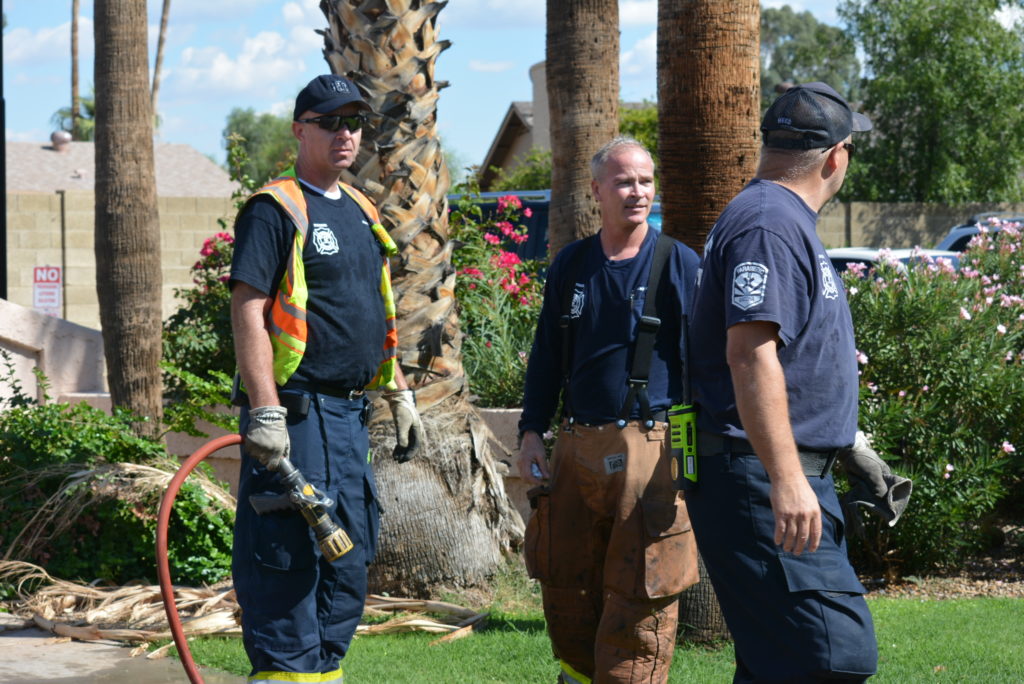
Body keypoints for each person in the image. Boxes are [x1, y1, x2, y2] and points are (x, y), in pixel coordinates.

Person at [229, 74, 423, 684]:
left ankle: (323, 673)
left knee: (348, 556)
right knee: (289, 556)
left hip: (348, 417)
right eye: (331, 122)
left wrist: (399, 393)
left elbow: (374, 312)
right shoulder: (276, 209)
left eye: (354, 122)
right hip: (296, 414)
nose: (346, 133)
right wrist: (265, 409)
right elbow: (248, 310)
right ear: (299, 130)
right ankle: (285, 672)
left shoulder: (362, 211)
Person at [686, 82, 879, 682]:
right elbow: (749, 356)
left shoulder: (775, 218)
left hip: (772, 473)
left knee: (778, 664)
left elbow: (787, 359)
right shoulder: (769, 223)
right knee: (833, 656)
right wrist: (789, 479)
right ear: (836, 157)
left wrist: (842, 440)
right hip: (762, 477)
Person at [518, 136, 700, 684]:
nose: (638, 191)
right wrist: (531, 432)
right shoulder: (571, 264)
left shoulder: (677, 262)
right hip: (575, 450)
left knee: (639, 605)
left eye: (645, 181)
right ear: (597, 190)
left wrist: (696, 461)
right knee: (567, 593)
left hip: (651, 452)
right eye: (624, 182)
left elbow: (703, 368)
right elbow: (547, 357)